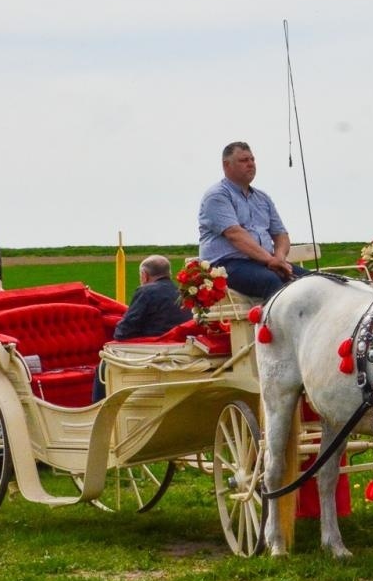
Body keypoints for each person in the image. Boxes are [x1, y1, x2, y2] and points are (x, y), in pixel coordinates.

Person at [197, 141, 298, 300]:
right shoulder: (217, 196)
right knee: (271, 281)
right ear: (226, 165)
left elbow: (280, 234)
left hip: (263, 262)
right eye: (244, 160)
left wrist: (279, 259)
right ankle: (274, 325)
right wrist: (270, 260)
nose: (251, 164)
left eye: (252, 159)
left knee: (315, 282)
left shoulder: (262, 198)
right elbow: (234, 234)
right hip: (226, 265)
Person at [92, 256, 195, 401]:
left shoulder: (146, 292)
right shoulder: (184, 293)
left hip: (151, 353)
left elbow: (122, 333)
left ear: (144, 276)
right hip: (182, 352)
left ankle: (98, 407)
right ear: (169, 274)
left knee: (104, 366)